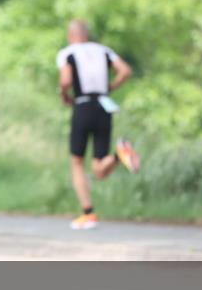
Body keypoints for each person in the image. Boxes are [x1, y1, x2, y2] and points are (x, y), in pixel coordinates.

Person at [56, 19, 140, 230]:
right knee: (100, 169)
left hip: (83, 105)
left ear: (71, 35)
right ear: (87, 34)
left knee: (77, 162)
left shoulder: (68, 53)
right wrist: (111, 86)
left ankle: (88, 213)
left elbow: (66, 81)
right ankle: (119, 154)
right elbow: (126, 71)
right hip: (104, 105)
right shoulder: (104, 50)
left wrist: (64, 95)